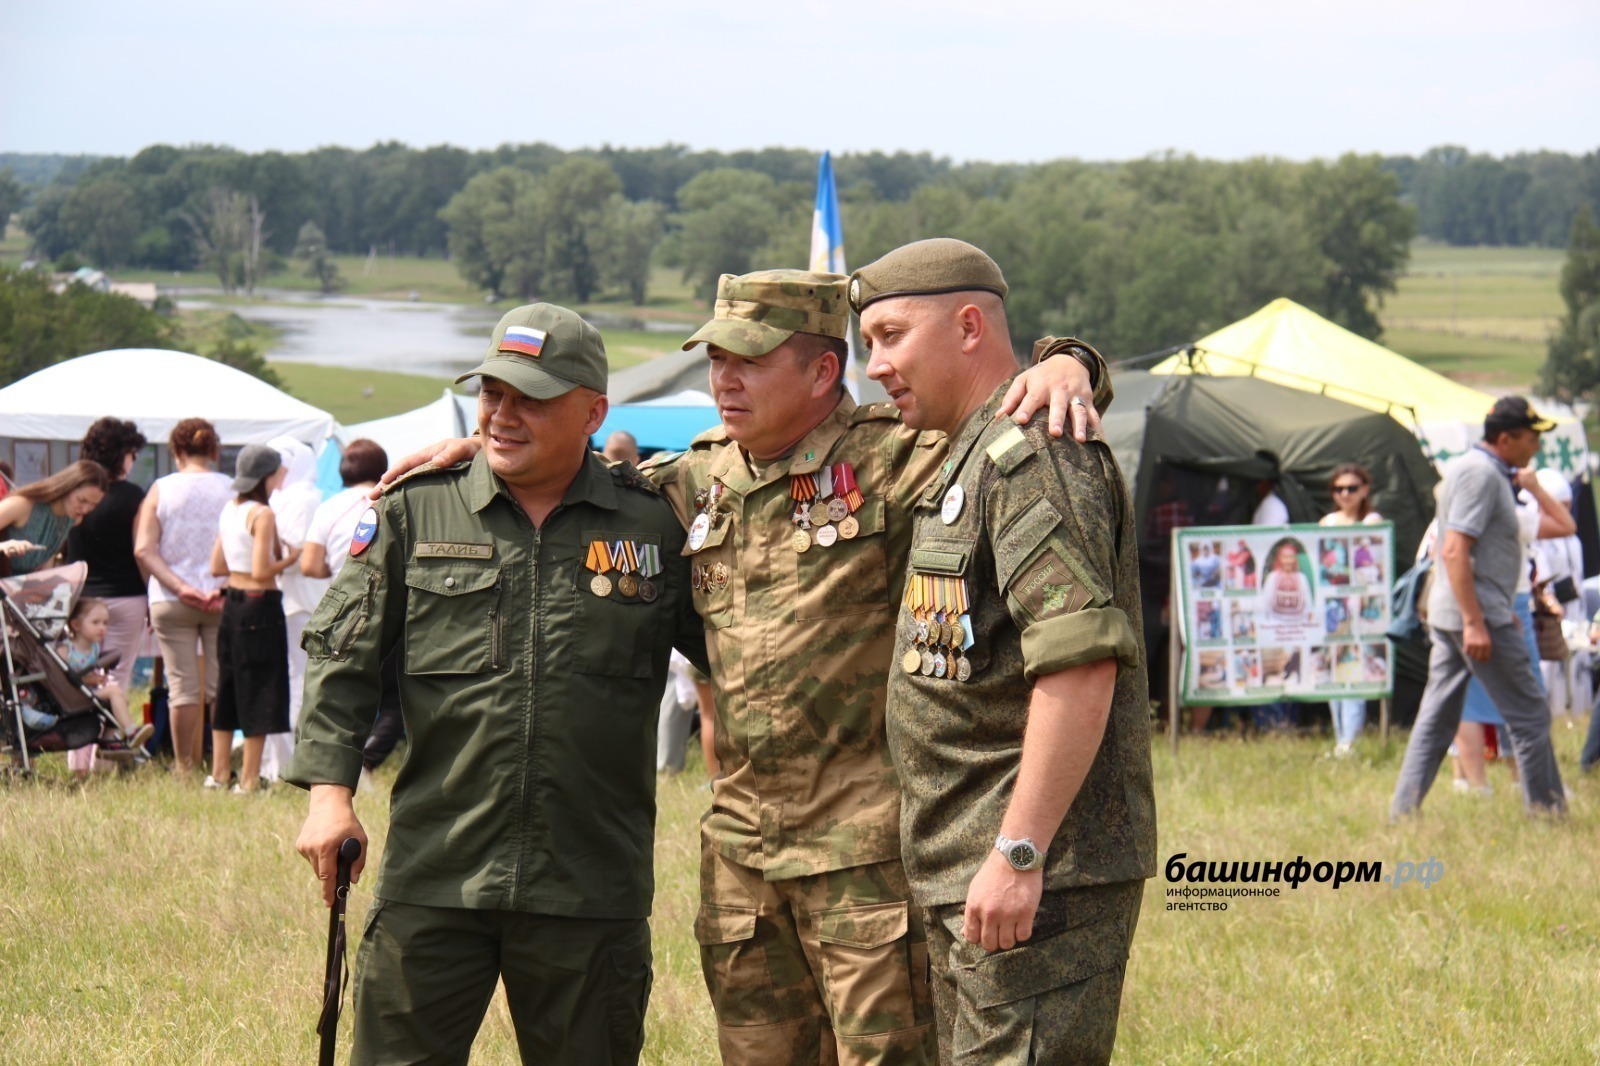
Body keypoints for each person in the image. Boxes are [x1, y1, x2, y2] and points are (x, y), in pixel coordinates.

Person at [384, 270, 1105, 1065]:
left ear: (823, 372)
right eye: (714, 359)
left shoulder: (900, 457)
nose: (722, 381)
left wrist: (1069, 362)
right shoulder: (697, 479)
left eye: (748, 361)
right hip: (742, 866)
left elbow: (998, 413)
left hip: (862, 860)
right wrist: (482, 453)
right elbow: (578, 483)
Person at [288, 304, 706, 1065]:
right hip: (437, 873)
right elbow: (342, 656)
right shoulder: (417, 508)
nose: (503, 416)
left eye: (531, 399)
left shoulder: (655, 527)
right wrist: (329, 797)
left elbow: (741, 654)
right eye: (491, 394)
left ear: (593, 412)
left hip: (590, 885)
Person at [855, 238, 1155, 1064]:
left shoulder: (1033, 455)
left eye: (889, 335)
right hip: (973, 874)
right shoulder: (966, 447)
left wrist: (1019, 854)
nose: (874, 364)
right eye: (866, 342)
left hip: (1033, 876)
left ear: (966, 325)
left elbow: (1081, 665)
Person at [1390, 397, 1567, 817]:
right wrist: (1474, 622)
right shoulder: (1480, 476)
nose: (1536, 448)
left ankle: (1402, 813)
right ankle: (1548, 813)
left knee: (1436, 718)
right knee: (1528, 715)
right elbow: (1453, 551)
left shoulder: (1479, 470)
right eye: (1530, 439)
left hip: (1460, 612)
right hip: (1479, 615)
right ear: (1505, 439)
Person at [300, 439, 403, 781]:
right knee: (393, 698)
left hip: (342, 612)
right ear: (381, 467)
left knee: (338, 692)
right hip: (393, 612)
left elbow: (310, 565)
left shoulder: (329, 508)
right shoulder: (396, 500)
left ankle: (329, 770)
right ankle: (369, 762)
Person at [134, 419, 231, 775]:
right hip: (221, 597)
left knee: (182, 686)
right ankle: (220, 765)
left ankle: (184, 766)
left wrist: (180, 586)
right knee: (220, 683)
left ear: (176, 451)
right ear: (214, 450)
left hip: (172, 599)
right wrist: (217, 586)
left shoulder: (161, 489)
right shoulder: (232, 488)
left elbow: (144, 549)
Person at [208, 445, 295, 793]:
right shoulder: (263, 514)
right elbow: (262, 571)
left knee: (228, 687)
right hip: (260, 604)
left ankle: (218, 774)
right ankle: (248, 779)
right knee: (260, 687)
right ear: (267, 476)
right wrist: (292, 558)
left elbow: (217, 566)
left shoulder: (230, 509)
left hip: (232, 603)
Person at [259, 437, 322, 782]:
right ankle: (275, 760)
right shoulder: (281, 498)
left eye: (279, 464)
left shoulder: (304, 497)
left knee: (297, 683)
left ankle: (292, 763)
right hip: (282, 599)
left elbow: (296, 553)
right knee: (282, 682)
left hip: (299, 601)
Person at [1320, 463, 1383, 755]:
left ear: (1364, 490)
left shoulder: (1372, 521)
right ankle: (1340, 738)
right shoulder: (1327, 522)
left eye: (1352, 488)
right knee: (1334, 670)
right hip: (1333, 608)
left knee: (1355, 669)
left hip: (1362, 607)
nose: (1345, 494)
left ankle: (1350, 740)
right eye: (1339, 488)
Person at [58, 596, 153, 766]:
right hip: (72, 695)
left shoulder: (95, 647)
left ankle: (111, 740)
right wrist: (90, 678)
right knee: (114, 691)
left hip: (87, 692)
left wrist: (95, 679)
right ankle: (130, 731)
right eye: (96, 623)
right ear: (76, 625)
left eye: (105, 623)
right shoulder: (66, 649)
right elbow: (61, 677)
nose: (102, 628)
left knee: (119, 698)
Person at [0, 461, 110, 575]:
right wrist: (4, 546)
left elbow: (48, 553)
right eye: (82, 500)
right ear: (67, 487)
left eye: (94, 505)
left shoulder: (73, 519)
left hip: (20, 585)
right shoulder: (22, 505)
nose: (85, 510)